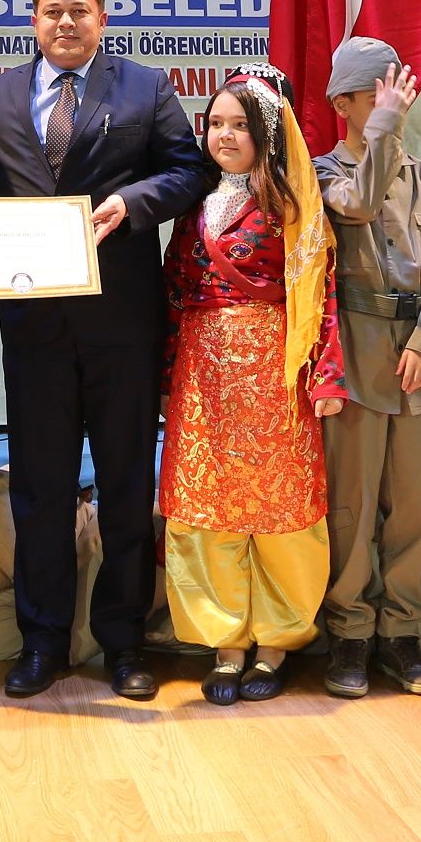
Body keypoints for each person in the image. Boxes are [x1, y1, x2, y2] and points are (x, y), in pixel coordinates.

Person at [0, 0, 209, 702]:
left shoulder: (146, 88)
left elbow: (188, 171)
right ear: (33, 20)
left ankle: (124, 642)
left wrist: (132, 204)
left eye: (78, 10)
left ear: (103, 18)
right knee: (40, 487)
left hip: (121, 320)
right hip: (32, 322)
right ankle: (41, 641)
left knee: (127, 483)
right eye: (52, 11)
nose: (65, 23)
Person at [161, 76, 349, 703]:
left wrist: (326, 373)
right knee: (208, 504)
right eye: (215, 123)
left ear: (266, 133)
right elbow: (174, 294)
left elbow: (321, 292)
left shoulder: (294, 205)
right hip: (202, 375)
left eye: (239, 124)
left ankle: (275, 645)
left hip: (276, 371)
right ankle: (225, 646)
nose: (225, 135)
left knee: (280, 507)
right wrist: (166, 377)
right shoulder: (194, 204)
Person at [312, 37, 421, 700]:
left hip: (417, 355)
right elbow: (359, 204)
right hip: (356, 350)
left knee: (413, 507)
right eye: (376, 95)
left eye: (396, 91)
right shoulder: (323, 173)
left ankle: (403, 631)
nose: (393, 102)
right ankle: (349, 630)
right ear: (343, 103)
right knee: (350, 503)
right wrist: (383, 131)